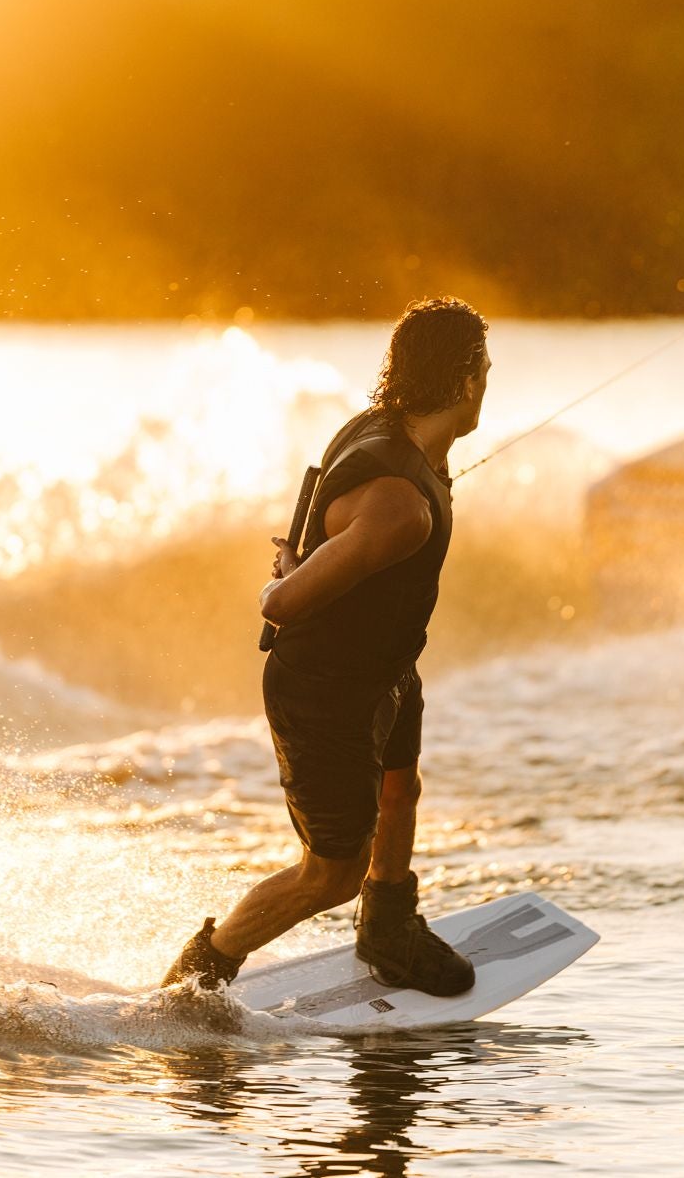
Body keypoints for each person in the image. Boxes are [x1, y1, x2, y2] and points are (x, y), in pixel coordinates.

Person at [162, 298, 491, 997]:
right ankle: (202, 970)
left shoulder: (387, 429)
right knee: (332, 872)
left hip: (386, 670)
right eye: (484, 373)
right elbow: (281, 602)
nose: (486, 387)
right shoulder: (400, 505)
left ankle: (388, 932)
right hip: (326, 693)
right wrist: (291, 570)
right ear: (463, 383)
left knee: (402, 791)